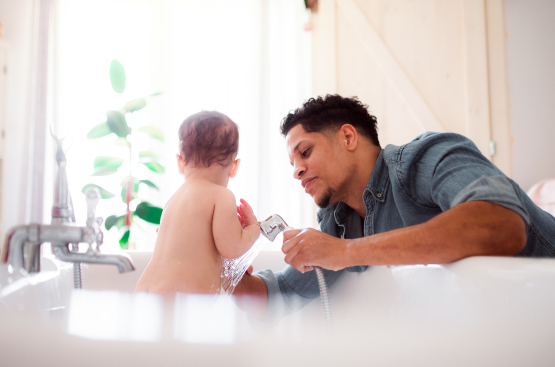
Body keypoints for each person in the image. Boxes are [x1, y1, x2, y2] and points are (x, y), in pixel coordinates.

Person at [234, 94, 555, 318]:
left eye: (304, 152)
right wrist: (230, 263)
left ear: (348, 137)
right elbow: (277, 295)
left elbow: (500, 224)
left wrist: (343, 253)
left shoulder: (426, 157)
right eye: (292, 163)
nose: (296, 171)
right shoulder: (339, 221)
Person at [135, 111, 260, 294]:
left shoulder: (174, 200)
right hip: (180, 301)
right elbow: (231, 248)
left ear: (180, 162)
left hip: (145, 292)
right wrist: (252, 229)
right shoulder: (222, 196)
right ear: (234, 167)